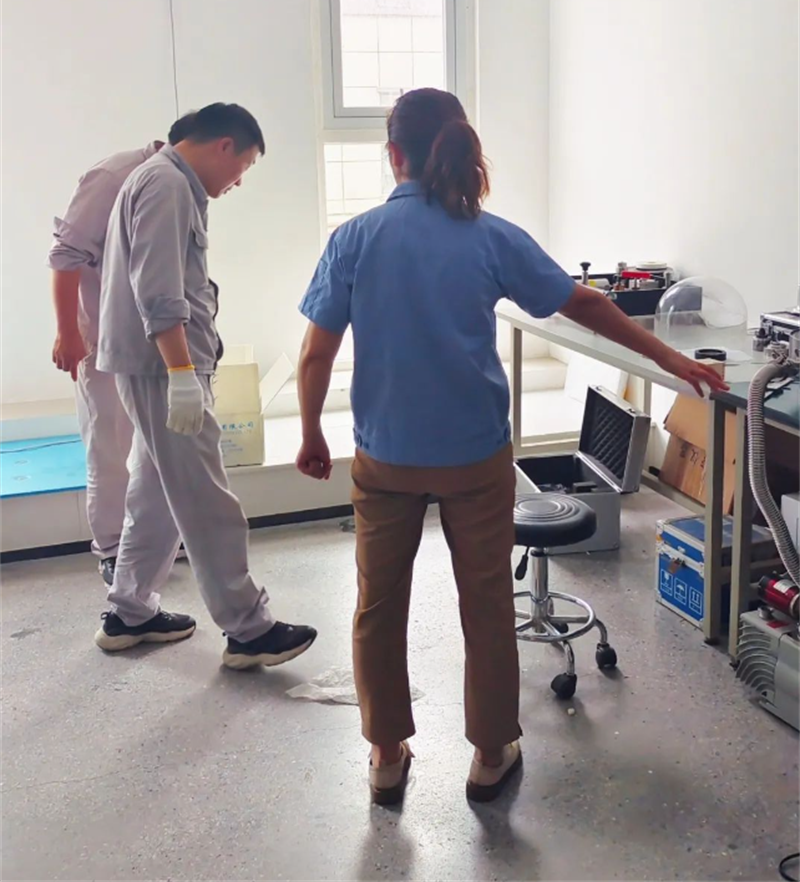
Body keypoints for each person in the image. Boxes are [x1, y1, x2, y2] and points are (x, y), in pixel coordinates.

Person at [295, 88, 728, 804]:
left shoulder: (355, 238)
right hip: (474, 455)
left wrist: (312, 430)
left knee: (378, 604)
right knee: (488, 601)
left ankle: (385, 752)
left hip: (388, 456)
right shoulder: (489, 235)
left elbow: (317, 352)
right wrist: (671, 361)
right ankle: (491, 751)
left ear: (394, 155)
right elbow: (585, 301)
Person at [95, 102, 317, 667]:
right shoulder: (167, 184)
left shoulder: (160, 180)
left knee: (155, 495)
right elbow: (159, 291)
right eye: (243, 166)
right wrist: (181, 375)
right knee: (206, 498)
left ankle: (130, 612)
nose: (238, 181)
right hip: (162, 370)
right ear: (224, 145)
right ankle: (248, 628)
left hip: (153, 367)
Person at [49, 114, 196, 585]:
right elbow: (65, 256)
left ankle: (149, 543)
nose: (235, 182)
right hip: (102, 337)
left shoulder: (181, 185)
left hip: (149, 338)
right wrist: (68, 332)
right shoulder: (114, 177)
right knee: (109, 445)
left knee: (153, 447)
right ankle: (113, 548)